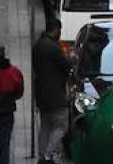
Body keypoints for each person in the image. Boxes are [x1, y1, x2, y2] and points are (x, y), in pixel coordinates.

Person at [33, 20, 71, 164]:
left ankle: (42, 155)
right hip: (55, 96)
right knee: (61, 126)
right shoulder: (53, 48)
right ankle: (48, 155)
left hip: (42, 95)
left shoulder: (38, 45)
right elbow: (66, 65)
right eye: (59, 30)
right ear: (56, 30)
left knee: (46, 126)